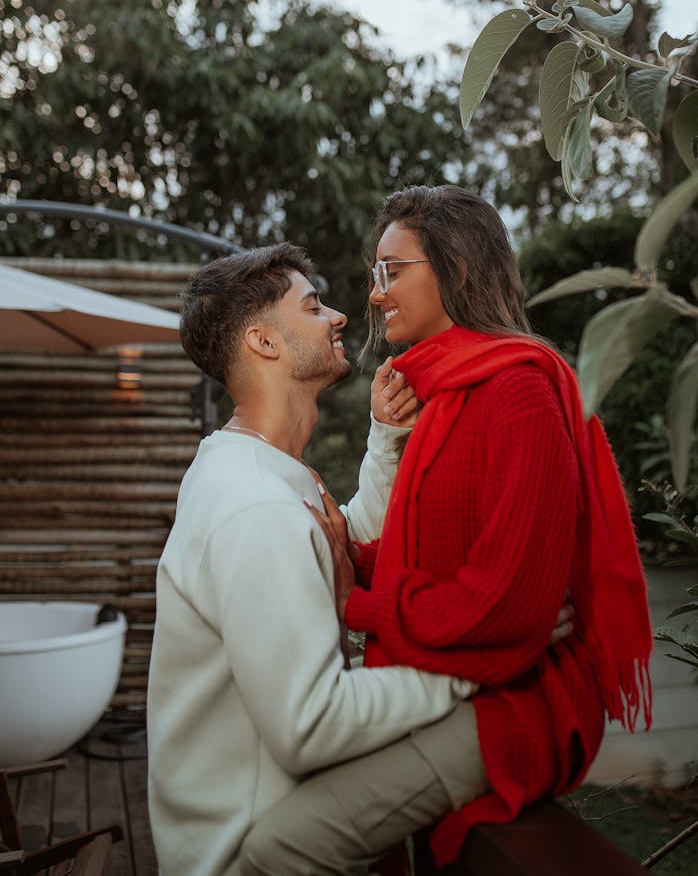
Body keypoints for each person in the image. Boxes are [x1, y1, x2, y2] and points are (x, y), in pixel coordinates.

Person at [148, 243, 572, 876]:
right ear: (264, 343)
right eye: (313, 306)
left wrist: (384, 437)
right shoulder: (254, 505)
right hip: (246, 850)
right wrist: (475, 667)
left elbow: (334, 548)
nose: (340, 316)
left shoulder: (250, 468)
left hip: (261, 813)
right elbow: (310, 724)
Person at [268, 185, 653, 871]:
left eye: (393, 270)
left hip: (518, 708)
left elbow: (505, 606)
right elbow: (443, 559)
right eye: (373, 274)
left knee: (282, 842)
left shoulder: (518, 392)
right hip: (465, 683)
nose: (375, 294)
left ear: (460, 270)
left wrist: (352, 599)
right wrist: (348, 555)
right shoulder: (443, 392)